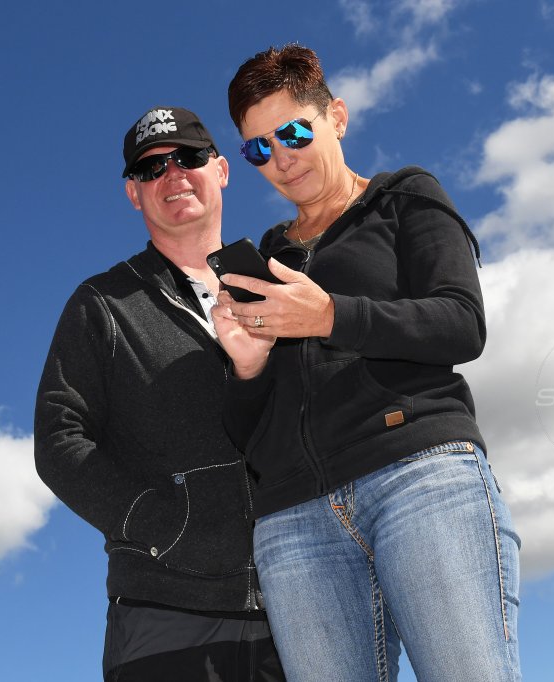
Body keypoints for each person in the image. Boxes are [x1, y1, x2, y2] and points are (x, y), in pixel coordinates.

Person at [210, 45, 522, 681]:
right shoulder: (269, 259)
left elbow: (462, 323)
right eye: (258, 148)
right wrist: (246, 367)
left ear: (337, 117)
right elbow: (248, 431)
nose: (281, 158)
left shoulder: (404, 196)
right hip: (293, 519)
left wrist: (331, 316)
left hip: (419, 479)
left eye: (294, 132)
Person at [34, 106, 285, 681]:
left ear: (221, 170)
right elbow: (58, 441)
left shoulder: (281, 286)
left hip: (297, 603)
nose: (173, 174)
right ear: (134, 193)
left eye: (188, 158)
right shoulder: (102, 304)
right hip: (163, 611)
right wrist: (162, 525)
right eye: (151, 168)